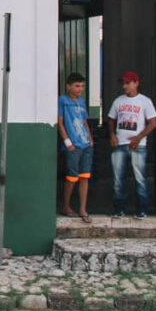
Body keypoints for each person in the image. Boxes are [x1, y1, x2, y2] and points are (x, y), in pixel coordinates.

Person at [107, 71, 156, 219]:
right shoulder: (118, 101)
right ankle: (118, 210)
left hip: (138, 146)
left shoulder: (145, 101)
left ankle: (142, 210)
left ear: (136, 83)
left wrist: (139, 137)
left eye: (128, 83)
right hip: (120, 145)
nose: (125, 86)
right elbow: (110, 119)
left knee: (140, 179)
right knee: (118, 180)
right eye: (123, 83)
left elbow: (153, 123)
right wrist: (112, 135)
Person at [57, 73, 94, 223]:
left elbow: (84, 122)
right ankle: (66, 206)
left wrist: (90, 139)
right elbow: (60, 122)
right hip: (73, 145)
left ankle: (83, 209)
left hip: (85, 144)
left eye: (82, 86)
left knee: (85, 176)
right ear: (69, 86)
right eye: (77, 86)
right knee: (72, 176)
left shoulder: (82, 102)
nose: (80, 89)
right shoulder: (63, 101)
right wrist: (67, 142)